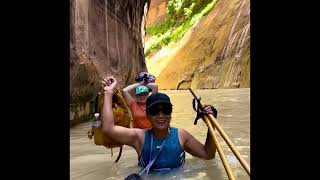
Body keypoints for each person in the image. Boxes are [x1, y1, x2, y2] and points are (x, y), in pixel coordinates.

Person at [102, 76, 217, 172]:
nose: (161, 115)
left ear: (170, 114)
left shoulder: (181, 135)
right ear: (148, 115)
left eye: (165, 110)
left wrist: (211, 125)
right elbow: (108, 128)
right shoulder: (139, 137)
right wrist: (108, 92)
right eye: (155, 111)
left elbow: (208, 155)